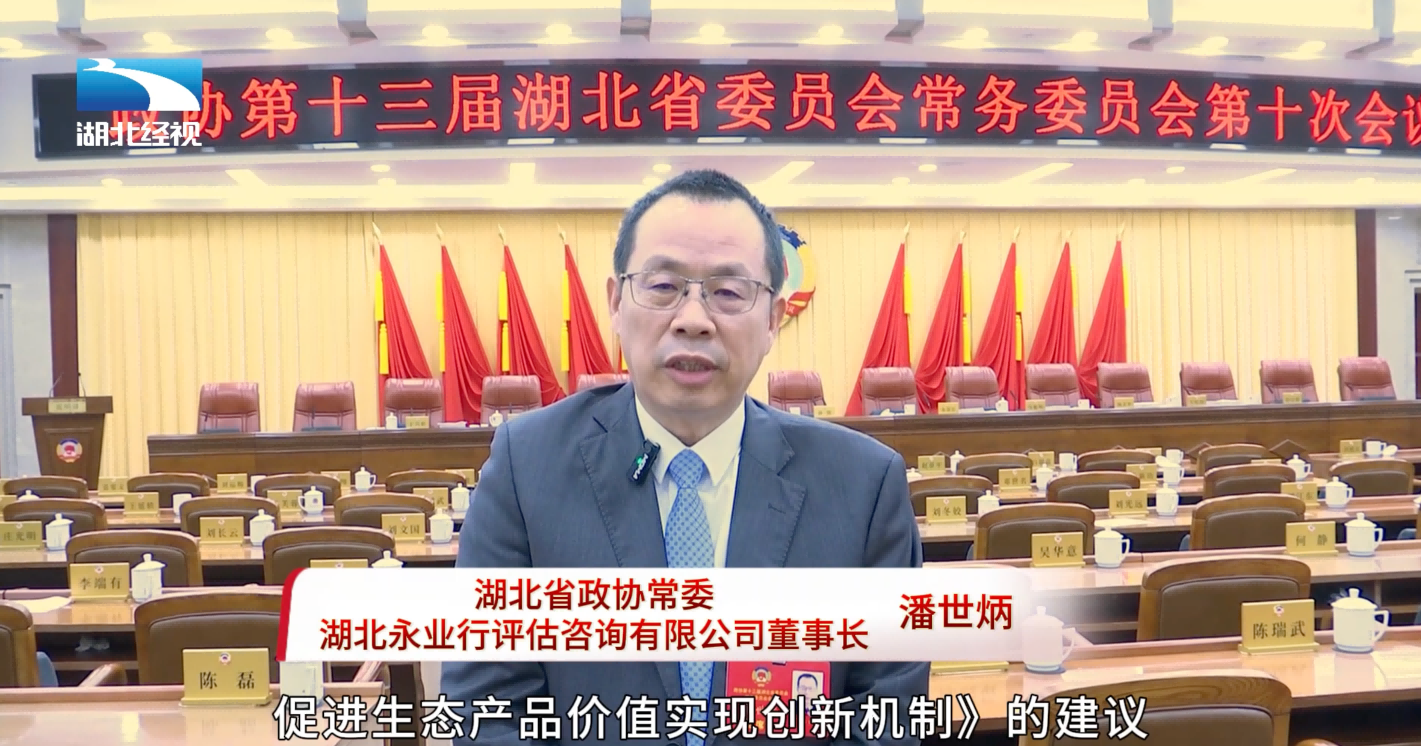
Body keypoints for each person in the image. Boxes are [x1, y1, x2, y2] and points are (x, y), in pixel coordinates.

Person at [442, 169, 927, 745]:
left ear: (773, 319)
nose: (693, 320)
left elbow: (888, 718)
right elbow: (487, 711)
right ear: (616, 303)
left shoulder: (863, 485)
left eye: (729, 292)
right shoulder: (526, 469)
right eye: (663, 285)